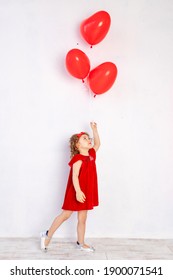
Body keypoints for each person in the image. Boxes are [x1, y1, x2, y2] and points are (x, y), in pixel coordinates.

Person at [40, 122, 100, 252]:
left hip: (86, 192)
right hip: (76, 192)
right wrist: (78, 191)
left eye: (88, 138)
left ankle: (81, 242)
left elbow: (97, 144)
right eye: (85, 138)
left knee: (82, 218)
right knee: (66, 215)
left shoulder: (91, 155)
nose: (89, 139)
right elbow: (74, 176)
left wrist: (94, 130)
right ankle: (47, 234)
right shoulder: (78, 159)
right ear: (78, 145)